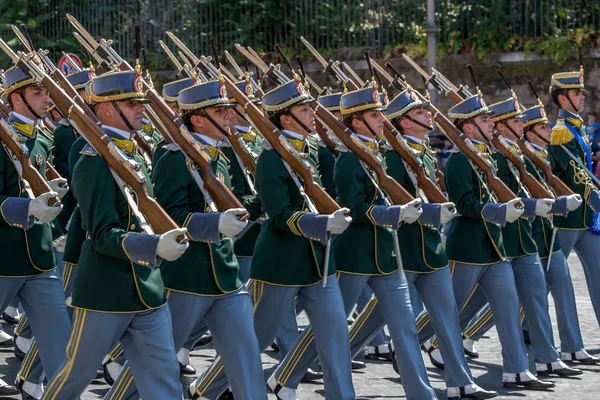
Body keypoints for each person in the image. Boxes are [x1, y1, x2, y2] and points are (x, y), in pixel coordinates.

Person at [188, 77, 354, 400]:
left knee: (335, 335)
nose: (312, 114)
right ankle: (206, 389)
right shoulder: (270, 158)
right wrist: (321, 224)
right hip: (280, 264)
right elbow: (278, 215)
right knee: (254, 340)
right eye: (305, 110)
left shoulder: (308, 150)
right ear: (286, 117)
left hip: (320, 264)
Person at [103, 78, 268, 400]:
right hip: (186, 278)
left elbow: (230, 204)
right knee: (157, 362)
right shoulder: (173, 157)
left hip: (225, 274)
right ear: (197, 119)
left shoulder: (216, 155)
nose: (230, 117)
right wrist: (214, 222)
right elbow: (169, 216)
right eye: (221, 112)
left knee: (247, 358)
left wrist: (253, 204)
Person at [42, 70, 188, 400]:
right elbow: (102, 233)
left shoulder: (132, 154)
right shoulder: (92, 162)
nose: (142, 109)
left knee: (164, 377)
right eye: (132, 103)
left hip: (148, 290)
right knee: (77, 374)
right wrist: (153, 245)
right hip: (104, 293)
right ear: (107, 109)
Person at [0, 65, 72, 398]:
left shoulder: (42, 136)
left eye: (46, 92)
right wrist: (27, 208)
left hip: (40, 257)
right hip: (4, 254)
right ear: (16, 98)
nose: (47, 100)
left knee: (60, 337)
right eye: (37, 94)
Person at [547, 68, 600, 343]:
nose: (582, 97)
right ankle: (521, 326)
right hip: (567, 218)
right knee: (543, 282)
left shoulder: (576, 129)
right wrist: (596, 200)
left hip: (587, 218)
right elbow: (577, 176)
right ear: (562, 98)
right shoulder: (560, 134)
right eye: (577, 93)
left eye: (581, 92)